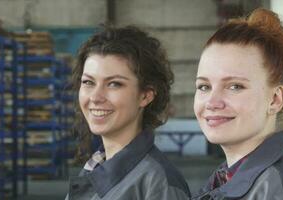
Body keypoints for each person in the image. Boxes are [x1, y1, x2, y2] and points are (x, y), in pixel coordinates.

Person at [192, 8, 283, 200]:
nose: (212, 102)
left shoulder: (277, 193)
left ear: (275, 100)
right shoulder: (225, 178)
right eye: (204, 86)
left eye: (235, 86)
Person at [65, 25, 191, 200]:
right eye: (88, 82)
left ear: (145, 95)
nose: (95, 97)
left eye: (114, 84)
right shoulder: (94, 167)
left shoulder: (158, 186)